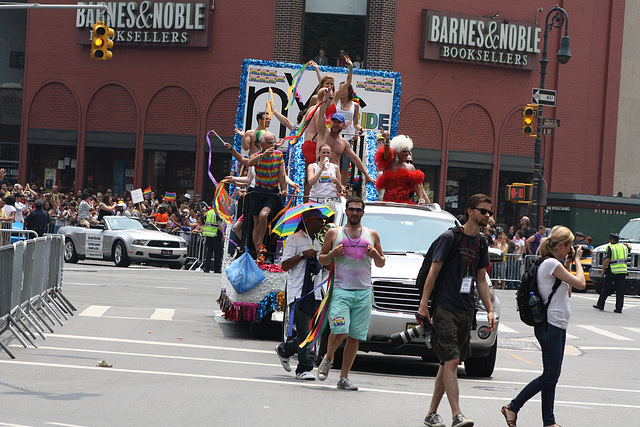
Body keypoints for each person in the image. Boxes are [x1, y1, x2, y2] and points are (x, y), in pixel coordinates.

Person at [417, 194, 495, 427]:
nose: (488, 216)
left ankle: (431, 414)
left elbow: (481, 279)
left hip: (466, 309)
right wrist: (424, 304)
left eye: (489, 212)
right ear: (470, 211)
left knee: (447, 362)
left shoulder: (481, 243)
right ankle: (456, 415)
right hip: (445, 307)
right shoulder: (450, 237)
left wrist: (489, 310)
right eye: (484, 211)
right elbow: (433, 272)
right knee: (451, 360)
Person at [501, 226, 586, 427]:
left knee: (552, 375)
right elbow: (581, 283)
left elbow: (568, 292)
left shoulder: (555, 264)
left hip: (557, 326)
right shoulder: (549, 263)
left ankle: (549, 421)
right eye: (570, 246)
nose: (571, 250)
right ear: (563, 245)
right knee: (550, 375)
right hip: (550, 326)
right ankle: (513, 407)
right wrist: (578, 261)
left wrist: (568, 263)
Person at [316, 196, 385, 390]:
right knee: (340, 330)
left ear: (363, 212)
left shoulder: (372, 235)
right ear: (346, 211)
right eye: (352, 209)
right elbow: (322, 259)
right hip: (341, 291)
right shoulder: (333, 233)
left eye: (358, 209)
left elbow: (381, 262)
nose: (355, 213)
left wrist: (375, 255)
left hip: (364, 293)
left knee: (354, 337)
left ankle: (344, 377)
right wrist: (331, 255)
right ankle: (328, 358)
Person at [275, 208, 327, 380]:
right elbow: (285, 265)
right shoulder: (294, 240)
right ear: (309, 221)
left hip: (316, 291)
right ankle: (303, 368)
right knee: (305, 332)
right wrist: (302, 255)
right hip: (299, 292)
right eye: (319, 220)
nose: (322, 223)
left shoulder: (318, 240)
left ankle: (286, 349)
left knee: (314, 331)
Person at [224, 131, 287, 260]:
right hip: (258, 192)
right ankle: (259, 252)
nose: (272, 145)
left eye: (273, 142)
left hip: (271, 192)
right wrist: (231, 149)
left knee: (263, 216)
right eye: (269, 143)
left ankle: (259, 244)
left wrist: (284, 188)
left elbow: (282, 174)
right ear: (261, 144)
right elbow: (245, 161)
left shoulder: (279, 155)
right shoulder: (257, 156)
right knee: (256, 222)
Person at [315, 87, 375, 185]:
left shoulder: (343, 142)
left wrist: (367, 176)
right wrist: (326, 99)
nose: (335, 124)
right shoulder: (323, 132)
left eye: (338, 123)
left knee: (345, 169)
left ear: (343, 126)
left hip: (334, 179)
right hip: (319, 175)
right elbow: (322, 115)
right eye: (334, 122)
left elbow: (355, 159)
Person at [374, 130, 429, 204]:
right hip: (388, 203)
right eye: (404, 151)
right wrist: (387, 140)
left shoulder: (410, 167)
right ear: (397, 152)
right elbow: (386, 154)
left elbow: (417, 185)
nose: (407, 154)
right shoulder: (389, 164)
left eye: (408, 151)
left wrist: (421, 199)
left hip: (404, 203)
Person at [593, 232, 631, 313]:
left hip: (612, 270)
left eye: (610, 239)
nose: (610, 240)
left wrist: (603, 270)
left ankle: (600, 305)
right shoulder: (624, 247)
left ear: (613, 240)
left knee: (606, 288)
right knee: (620, 290)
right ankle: (619, 308)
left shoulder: (611, 247)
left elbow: (607, 260)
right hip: (623, 271)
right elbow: (630, 248)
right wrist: (626, 244)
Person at [202, 207, 222, 274]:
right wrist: (224, 233)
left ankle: (207, 268)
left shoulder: (209, 212)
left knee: (209, 252)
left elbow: (204, 219)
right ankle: (217, 269)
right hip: (215, 235)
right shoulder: (217, 213)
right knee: (217, 252)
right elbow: (219, 224)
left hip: (208, 234)